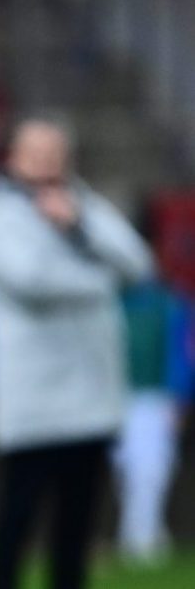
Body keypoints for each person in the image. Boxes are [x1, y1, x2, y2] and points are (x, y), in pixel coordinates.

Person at [0, 117, 153, 589]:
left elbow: (138, 263)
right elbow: (30, 280)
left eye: (54, 152)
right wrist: (102, 282)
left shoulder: (84, 205)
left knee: (75, 525)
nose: (46, 162)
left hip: (91, 397)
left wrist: (78, 224)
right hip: (33, 402)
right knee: (17, 515)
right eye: (36, 152)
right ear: (15, 156)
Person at [111, 221, 194, 565]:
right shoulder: (112, 302)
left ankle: (142, 541)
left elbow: (182, 355)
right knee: (128, 470)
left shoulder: (171, 302)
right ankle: (140, 537)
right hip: (115, 399)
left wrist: (178, 400)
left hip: (154, 400)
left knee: (152, 470)